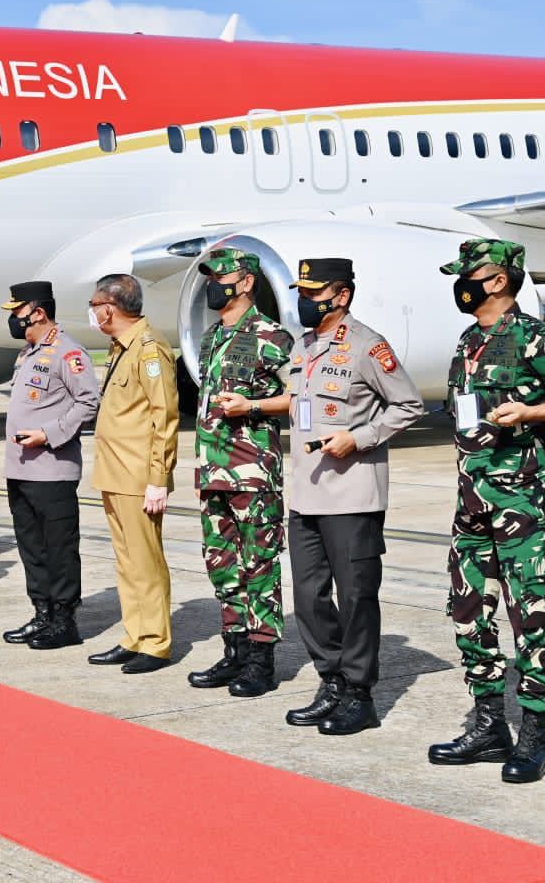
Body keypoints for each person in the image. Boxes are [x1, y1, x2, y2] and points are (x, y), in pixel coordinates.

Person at [429, 239, 545, 783]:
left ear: (498, 280)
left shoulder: (535, 337)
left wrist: (531, 411)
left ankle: (534, 733)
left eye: (469, 274)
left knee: (531, 615)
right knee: (468, 612)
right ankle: (487, 724)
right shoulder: (468, 340)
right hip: (472, 500)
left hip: (523, 499)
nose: (461, 282)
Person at [235, 258, 424, 735]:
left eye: (314, 291)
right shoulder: (304, 347)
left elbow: (408, 405)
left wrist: (359, 438)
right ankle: (332, 680)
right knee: (309, 596)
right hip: (307, 493)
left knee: (357, 597)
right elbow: (300, 409)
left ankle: (359, 694)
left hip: (352, 496)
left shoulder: (367, 346)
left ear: (341, 296)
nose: (305, 300)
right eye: (302, 290)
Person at [186, 248, 294, 697]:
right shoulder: (212, 337)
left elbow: (300, 397)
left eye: (222, 276)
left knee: (259, 567)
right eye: (209, 276)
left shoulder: (273, 336)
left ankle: (261, 660)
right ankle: (234, 651)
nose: (214, 283)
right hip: (213, 471)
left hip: (252, 474)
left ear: (246, 282)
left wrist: (252, 406)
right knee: (222, 566)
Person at [86, 274, 180, 674]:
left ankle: (156, 642)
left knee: (146, 561)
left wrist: (158, 478)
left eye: (94, 304)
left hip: (139, 477)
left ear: (110, 307)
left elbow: (166, 418)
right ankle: (135, 635)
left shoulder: (149, 350)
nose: (91, 312)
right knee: (126, 563)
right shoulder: (120, 348)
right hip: (114, 473)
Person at [0, 281, 100, 649]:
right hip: (21, 469)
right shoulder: (28, 353)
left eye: (17, 311)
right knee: (32, 547)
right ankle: (42, 613)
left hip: (51, 469)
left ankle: (64, 620)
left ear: (37, 312)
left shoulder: (67, 352)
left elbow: (88, 402)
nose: (13, 319)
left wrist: (49, 433)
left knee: (58, 547)